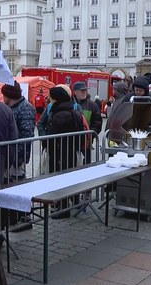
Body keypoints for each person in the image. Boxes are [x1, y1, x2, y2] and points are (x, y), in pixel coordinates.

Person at [46, 84, 85, 218]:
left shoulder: (59, 115)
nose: (50, 101)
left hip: (60, 153)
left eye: (51, 98)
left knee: (60, 179)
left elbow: (51, 136)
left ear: (56, 99)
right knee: (68, 177)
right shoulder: (74, 111)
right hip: (70, 152)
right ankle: (69, 204)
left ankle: (63, 209)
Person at [1, 80, 35, 180]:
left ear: (8, 96)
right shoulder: (9, 107)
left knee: (16, 182)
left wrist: (18, 157)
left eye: (4, 95)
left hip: (16, 158)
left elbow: (27, 134)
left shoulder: (25, 108)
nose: (2, 98)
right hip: (9, 155)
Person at [72, 81, 102, 163]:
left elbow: (97, 122)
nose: (84, 92)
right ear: (75, 92)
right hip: (71, 142)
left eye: (85, 90)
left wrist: (90, 135)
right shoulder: (70, 104)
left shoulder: (92, 105)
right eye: (82, 90)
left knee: (86, 164)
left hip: (86, 143)